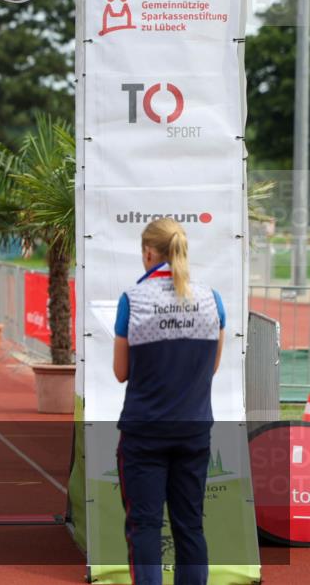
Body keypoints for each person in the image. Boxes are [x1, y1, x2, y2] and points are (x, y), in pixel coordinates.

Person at [113, 218, 224, 585]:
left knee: (144, 526)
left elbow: (120, 371)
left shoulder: (133, 298)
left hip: (145, 432)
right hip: (193, 430)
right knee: (190, 526)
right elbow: (212, 367)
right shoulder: (212, 299)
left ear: (148, 252)